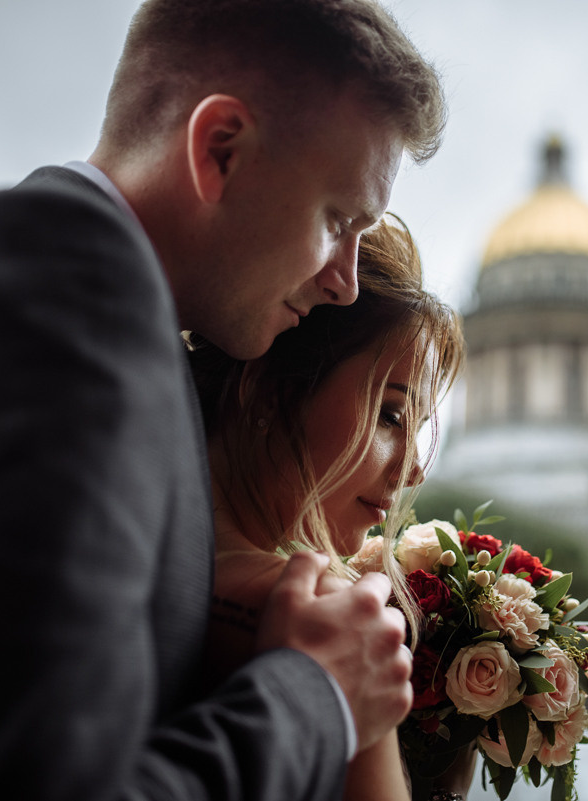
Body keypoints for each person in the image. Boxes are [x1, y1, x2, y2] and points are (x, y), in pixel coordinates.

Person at [0, 1, 444, 799]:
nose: (346, 277)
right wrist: (316, 699)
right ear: (221, 149)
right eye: (336, 219)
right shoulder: (60, 311)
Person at [190, 217, 468, 801]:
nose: (413, 470)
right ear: (270, 390)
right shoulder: (331, 625)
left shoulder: (135, 558)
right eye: (391, 416)